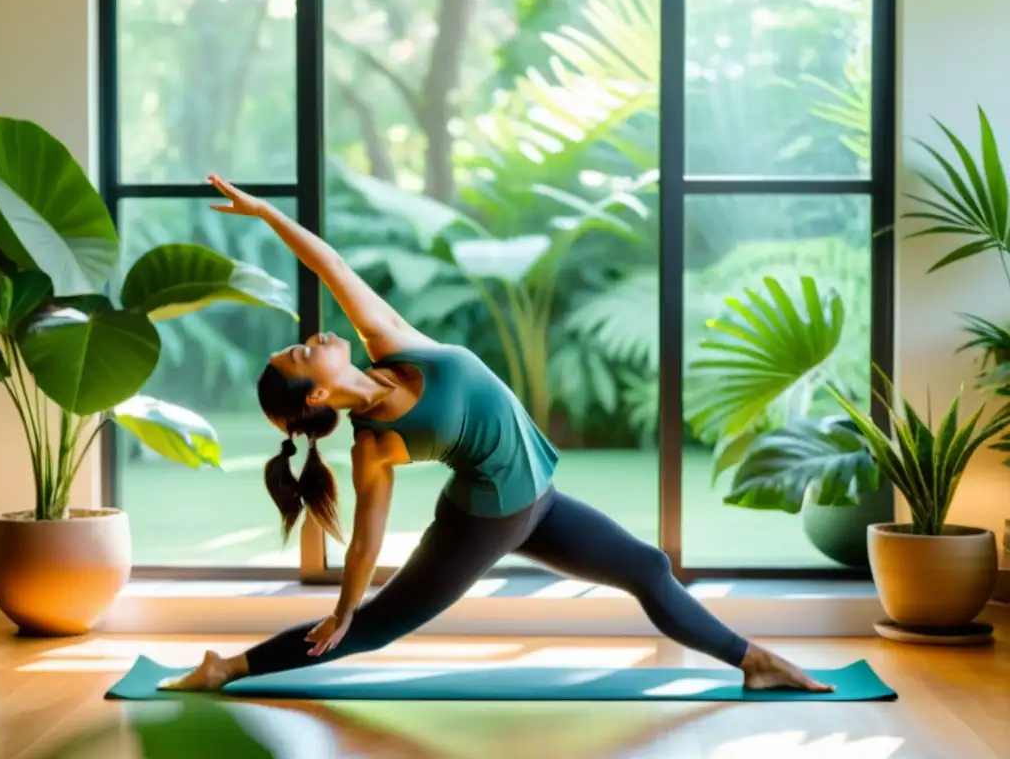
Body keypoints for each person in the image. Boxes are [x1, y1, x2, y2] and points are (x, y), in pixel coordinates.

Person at [161, 175, 834, 694]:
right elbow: (367, 537)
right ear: (314, 393)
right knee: (369, 628)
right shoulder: (373, 445)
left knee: (649, 570)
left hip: (535, 502)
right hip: (485, 520)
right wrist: (343, 605)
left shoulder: (391, 342)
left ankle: (755, 662)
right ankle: (226, 668)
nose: (314, 338)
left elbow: (330, 265)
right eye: (302, 354)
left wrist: (269, 214)